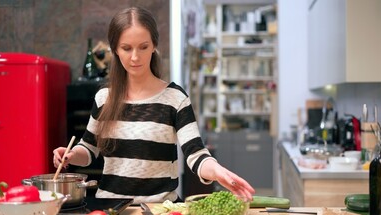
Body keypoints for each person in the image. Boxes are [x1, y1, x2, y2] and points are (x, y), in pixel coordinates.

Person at [53, 6, 255, 203]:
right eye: (126, 48)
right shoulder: (104, 97)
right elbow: (88, 150)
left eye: (143, 47)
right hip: (111, 210)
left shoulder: (175, 98)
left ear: (154, 46)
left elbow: (196, 154)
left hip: (159, 211)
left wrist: (217, 171)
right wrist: (70, 156)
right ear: (115, 49)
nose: (135, 57)